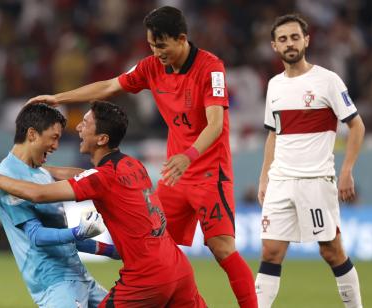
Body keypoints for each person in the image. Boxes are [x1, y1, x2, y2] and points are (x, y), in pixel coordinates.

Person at [28, 6, 257, 307]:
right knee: (159, 248)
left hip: (208, 172)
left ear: (182, 39)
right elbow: (110, 86)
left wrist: (188, 155)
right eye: (151, 45)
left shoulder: (210, 68)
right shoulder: (151, 67)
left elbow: (215, 125)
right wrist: (60, 98)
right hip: (175, 174)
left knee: (222, 248)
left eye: (161, 45)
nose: (156, 52)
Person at [0, 101, 207, 307]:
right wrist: (106, 249)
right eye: (54, 137)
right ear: (33, 134)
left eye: (85, 123)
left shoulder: (28, 178)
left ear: (101, 138)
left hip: (144, 276)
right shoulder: (131, 164)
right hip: (174, 266)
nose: (77, 128)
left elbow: (41, 194)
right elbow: (40, 232)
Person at [255, 14, 365, 308]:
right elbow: (273, 135)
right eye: (282, 39)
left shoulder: (327, 80)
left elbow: (357, 126)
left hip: (316, 180)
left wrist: (347, 170)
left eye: (294, 37)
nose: (289, 43)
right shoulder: (274, 85)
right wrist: (265, 177)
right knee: (270, 252)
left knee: (331, 251)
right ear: (274, 46)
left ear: (306, 40)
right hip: (281, 180)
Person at [0, 103, 113, 308]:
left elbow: (67, 240)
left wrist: (114, 251)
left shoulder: (41, 172)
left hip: (80, 277)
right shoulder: (8, 178)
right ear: (32, 134)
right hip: (55, 284)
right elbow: (37, 236)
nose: (56, 146)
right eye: (53, 137)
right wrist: (78, 231)